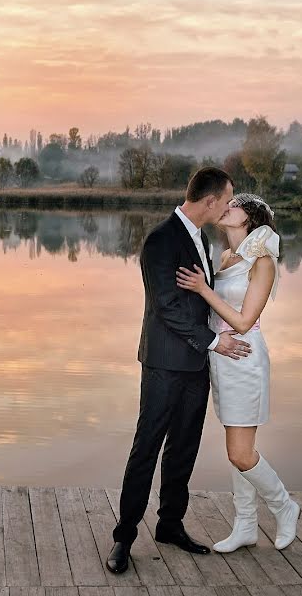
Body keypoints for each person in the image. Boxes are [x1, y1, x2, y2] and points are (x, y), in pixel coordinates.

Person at [106, 167, 253, 574]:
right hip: (163, 364)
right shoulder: (160, 240)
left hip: (194, 365)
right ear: (209, 201)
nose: (227, 207)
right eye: (225, 200)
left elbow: (201, 302)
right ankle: (124, 537)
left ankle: (170, 525)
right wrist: (214, 341)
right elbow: (167, 306)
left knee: (184, 447)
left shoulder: (202, 238)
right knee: (147, 447)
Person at [175, 192, 300, 552]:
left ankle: (284, 506)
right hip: (222, 358)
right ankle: (246, 525)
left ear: (249, 218)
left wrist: (201, 288)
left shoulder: (262, 262)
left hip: (245, 358)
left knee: (240, 453)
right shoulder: (228, 257)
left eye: (234, 205)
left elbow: (245, 322)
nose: (224, 207)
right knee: (240, 446)